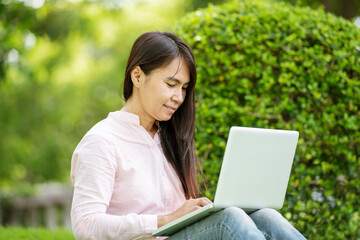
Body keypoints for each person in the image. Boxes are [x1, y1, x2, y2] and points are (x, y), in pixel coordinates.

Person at [70, 31, 307, 240]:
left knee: (265, 216)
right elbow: (86, 225)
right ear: (138, 76)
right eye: (171, 84)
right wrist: (164, 219)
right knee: (229, 219)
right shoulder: (102, 141)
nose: (179, 97)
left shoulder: (167, 138)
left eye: (184, 88)